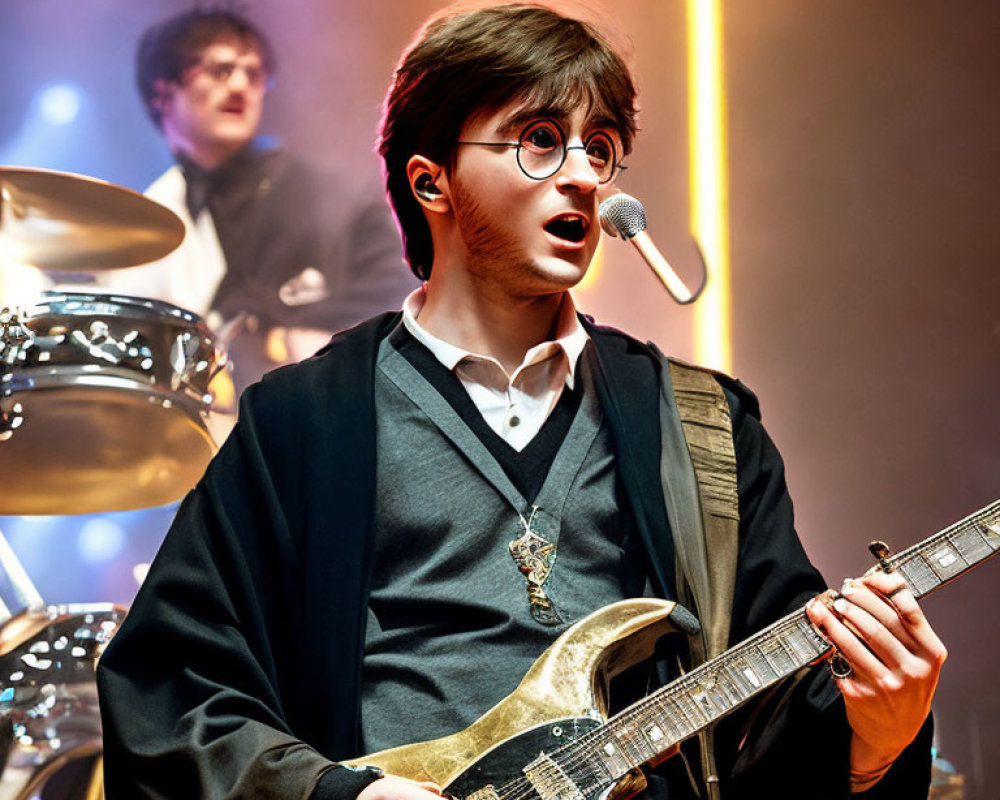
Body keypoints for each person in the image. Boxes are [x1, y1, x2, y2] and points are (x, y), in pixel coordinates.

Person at [96, 4, 945, 799]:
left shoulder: (704, 424)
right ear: (432, 183)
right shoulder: (300, 420)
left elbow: (769, 733)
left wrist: (876, 736)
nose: (585, 179)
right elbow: (170, 694)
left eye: (601, 147)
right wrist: (345, 793)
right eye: (540, 140)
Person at [100, 8, 416, 400]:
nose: (240, 86)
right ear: (162, 92)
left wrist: (279, 323)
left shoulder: (328, 192)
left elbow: (400, 291)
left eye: (254, 74)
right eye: (221, 70)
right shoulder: (151, 213)